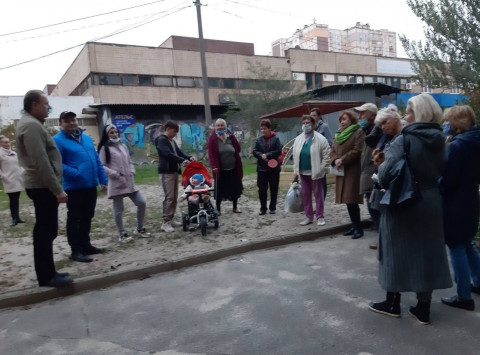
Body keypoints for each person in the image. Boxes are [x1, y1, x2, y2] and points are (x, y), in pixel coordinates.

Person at [368, 93, 452, 325]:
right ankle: (422, 308)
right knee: (427, 253)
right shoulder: (440, 138)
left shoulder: (404, 139)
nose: (405, 117)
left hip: (403, 201)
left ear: (419, 114)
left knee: (394, 250)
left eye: (408, 112)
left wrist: (380, 164)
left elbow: (385, 176)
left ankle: (392, 303)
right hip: (431, 200)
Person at [15, 90, 72, 287]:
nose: (48, 107)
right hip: (42, 186)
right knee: (45, 231)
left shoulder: (33, 123)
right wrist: (58, 190)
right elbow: (41, 161)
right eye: (45, 103)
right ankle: (46, 276)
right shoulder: (31, 126)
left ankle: (49, 272)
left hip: (42, 185)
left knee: (47, 231)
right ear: (34, 105)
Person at [439, 105, 480, 311]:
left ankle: (463, 296)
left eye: (447, 121)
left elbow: (449, 180)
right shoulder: (475, 140)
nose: (445, 125)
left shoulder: (457, 145)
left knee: (456, 246)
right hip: (471, 199)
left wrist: (436, 182)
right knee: (467, 243)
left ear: (457, 123)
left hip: (455, 204)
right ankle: (478, 282)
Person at [54, 111, 108, 262]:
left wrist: (102, 179)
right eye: (67, 120)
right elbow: (58, 164)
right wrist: (77, 174)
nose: (71, 123)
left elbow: (96, 159)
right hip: (74, 187)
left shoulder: (85, 138)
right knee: (75, 219)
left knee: (87, 216)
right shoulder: (57, 140)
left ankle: (86, 245)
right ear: (61, 123)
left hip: (90, 185)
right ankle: (75, 251)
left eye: (73, 119)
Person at [98, 124, 148, 242]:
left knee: (141, 202)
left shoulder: (123, 146)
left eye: (116, 132)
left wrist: (132, 170)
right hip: (117, 182)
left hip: (129, 181)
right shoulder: (104, 148)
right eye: (111, 132)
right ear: (106, 135)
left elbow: (129, 161)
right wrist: (114, 174)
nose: (115, 134)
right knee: (118, 209)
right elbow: (102, 165)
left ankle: (139, 228)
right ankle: (122, 233)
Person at [368, 105, 404, 250]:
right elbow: (371, 138)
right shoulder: (387, 138)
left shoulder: (402, 137)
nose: (382, 127)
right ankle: (384, 239)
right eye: (380, 125)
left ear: (395, 119)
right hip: (382, 182)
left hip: (394, 185)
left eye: (384, 123)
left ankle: (391, 242)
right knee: (379, 212)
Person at [330, 110, 365, 238]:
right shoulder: (339, 133)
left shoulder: (358, 131)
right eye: (341, 120)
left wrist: (342, 159)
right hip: (341, 171)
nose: (342, 122)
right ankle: (354, 226)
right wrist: (334, 160)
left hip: (352, 171)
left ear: (351, 120)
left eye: (344, 119)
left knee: (352, 200)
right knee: (347, 201)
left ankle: (359, 229)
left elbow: (358, 150)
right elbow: (332, 150)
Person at [155, 120, 195, 233]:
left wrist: (188, 157)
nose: (175, 134)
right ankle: (165, 222)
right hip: (166, 172)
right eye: (174, 131)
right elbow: (168, 154)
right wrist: (182, 161)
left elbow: (179, 152)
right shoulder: (161, 140)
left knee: (174, 197)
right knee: (169, 197)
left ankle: (171, 218)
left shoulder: (171, 141)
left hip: (173, 171)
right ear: (168, 129)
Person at [292, 114, 331, 226]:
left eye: (308, 123)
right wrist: (295, 172)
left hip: (316, 172)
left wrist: (321, 168)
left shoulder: (320, 139)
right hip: (303, 172)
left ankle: (320, 217)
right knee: (305, 195)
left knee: (318, 195)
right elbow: (295, 155)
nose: (305, 125)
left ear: (313, 124)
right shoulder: (298, 139)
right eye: (303, 123)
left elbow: (327, 155)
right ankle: (308, 216)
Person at [355, 103, 382, 231]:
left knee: (375, 207)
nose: (359, 116)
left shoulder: (378, 131)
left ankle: (381, 235)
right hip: (366, 174)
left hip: (374, 175)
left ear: (372, 115)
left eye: (363, 113)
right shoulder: (366, 131)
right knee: (371, 205)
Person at [207, 118, 243, 216]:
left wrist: (231, 135)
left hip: (233, 168)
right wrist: (213, 166)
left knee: (234, 188)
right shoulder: (213, 138)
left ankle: (235, 207)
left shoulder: (230, 137)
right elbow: (211, 154)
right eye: (218, 125)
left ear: (225, 127)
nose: (220, 127)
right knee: (220, 190)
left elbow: (238, 149)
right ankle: (218, 209)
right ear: (215, 127)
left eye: (222, 125)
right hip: (220, 170)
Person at [252, 119, 282, 215]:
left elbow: (279, 151)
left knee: (274, 188)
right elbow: (254, 151)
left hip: (274, 169)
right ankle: (263, 208)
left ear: (269, 128)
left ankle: (272, 207)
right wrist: (261, 155)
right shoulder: (258, 140)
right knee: (262, 189)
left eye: (264, 128)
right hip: (262, 169)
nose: (263, 131)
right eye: (261, 129)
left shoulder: (276, 139)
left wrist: (268, 155)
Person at [0, 135, 25, 227]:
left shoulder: (13, 152)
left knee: (16, 199)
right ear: (0, 143)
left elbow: (19, 164)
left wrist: (22, 172)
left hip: (17, 179)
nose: (8, 143)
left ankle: (17, 217)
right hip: (9, 180)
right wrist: (4, 176)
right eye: (5, 142)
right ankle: (14, 218)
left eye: (8, 142)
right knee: (13, 199)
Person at [310, 107, 333, 199]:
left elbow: (330, 142)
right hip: (312, 157)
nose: (313, 117)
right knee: (314, 181)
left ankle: (321, 202)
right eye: (311, 116)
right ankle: (317, 200)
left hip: (321, 158)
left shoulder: (324, 126)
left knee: (321, 181)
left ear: (319, 116)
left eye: (314, 115)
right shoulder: (310, 127)